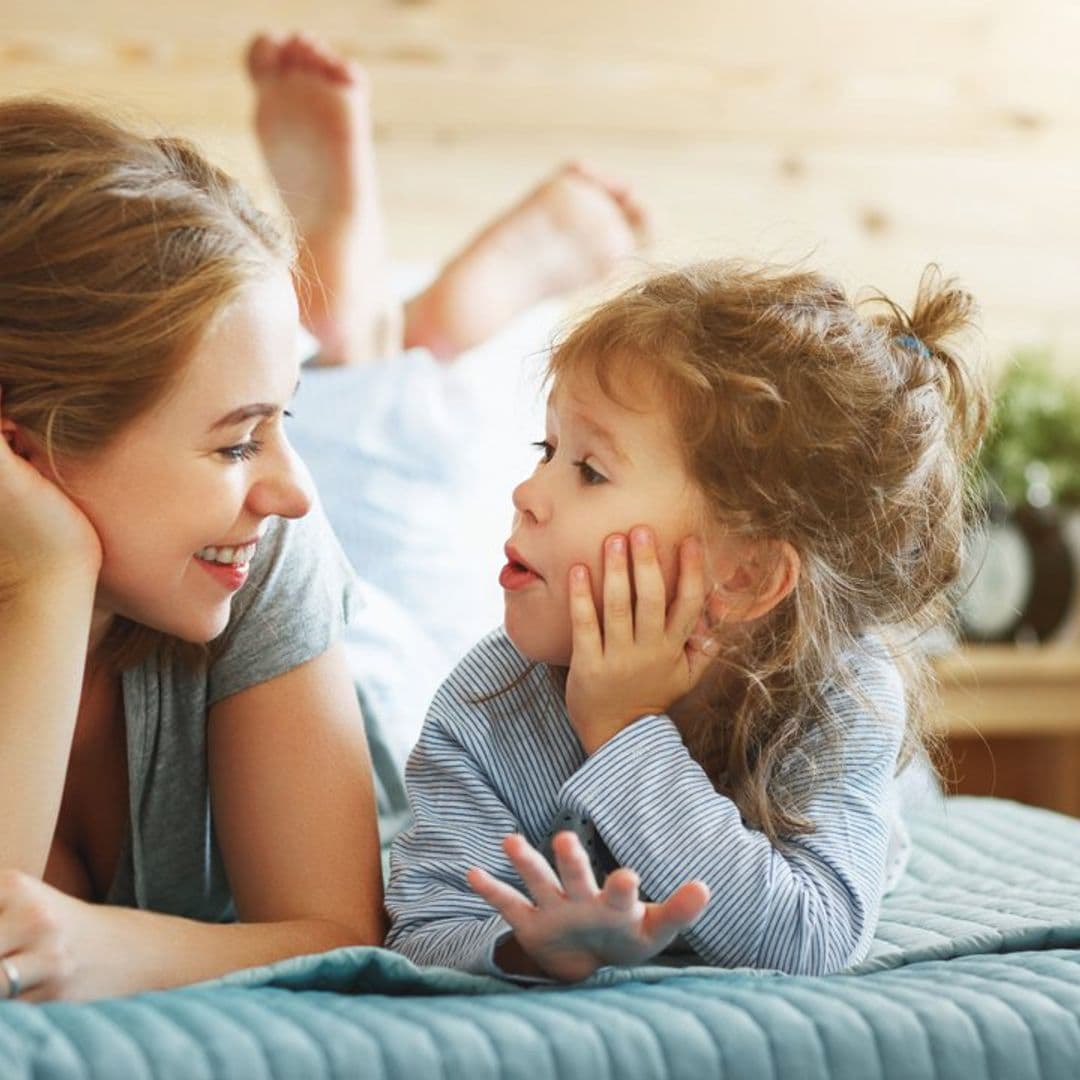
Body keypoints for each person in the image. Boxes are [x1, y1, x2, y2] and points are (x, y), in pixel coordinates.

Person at [0, 34, 648, 1001]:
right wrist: (46, 576)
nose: (291, 490)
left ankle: (382, 321)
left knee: (397, 552)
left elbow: (344, 929)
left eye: (273, 423)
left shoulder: (269, 549)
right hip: (332, 622)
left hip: (386, 701)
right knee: (386, 521)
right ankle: (381, 334)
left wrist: (111, 952)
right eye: (235, 443)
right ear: (21, 453)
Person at [385, 260, 989, 980]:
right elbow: (423, 925)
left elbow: (810, 939)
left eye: (590, 470)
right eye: (545, 451)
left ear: (746, 576)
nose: (526, 493)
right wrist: (528, 946)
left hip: (858, 781)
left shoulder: (841, 694)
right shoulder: (486, 705)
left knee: (895, 803)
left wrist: (624, 732)